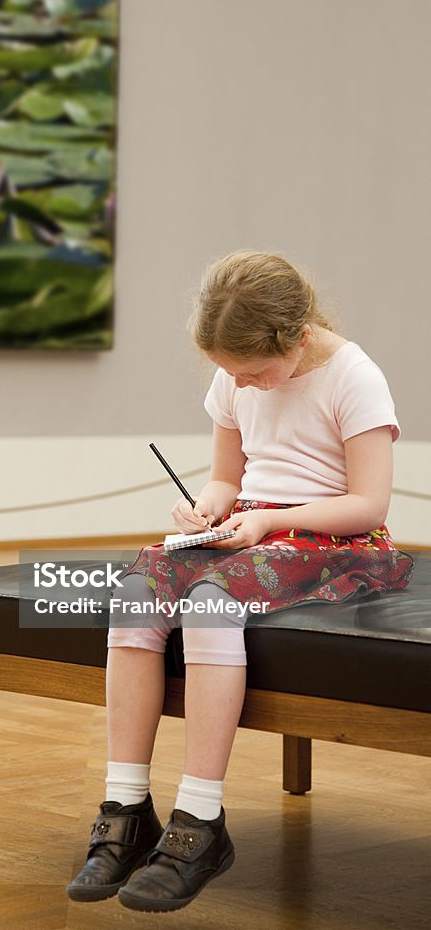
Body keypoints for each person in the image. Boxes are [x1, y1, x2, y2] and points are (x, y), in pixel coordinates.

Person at [66, 251, 414, 914]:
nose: (243, 386)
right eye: (231, 375)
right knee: (134, 594)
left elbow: (368, 505)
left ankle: (198, 821)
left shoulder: (353, 377)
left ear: (300, 337)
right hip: (257, 530)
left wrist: (268, 524)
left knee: (210, 602)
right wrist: (205, 506)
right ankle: (125, 808)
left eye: (254, 373)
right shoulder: (236, 376)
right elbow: (229, 479)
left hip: (340, 543)